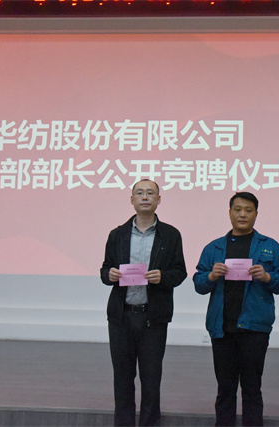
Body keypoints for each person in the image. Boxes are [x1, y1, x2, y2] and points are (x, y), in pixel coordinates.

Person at [193, 192, 279, 426]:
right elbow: (198, 284)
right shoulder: (214, 247)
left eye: (248, 210)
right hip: (222, 329)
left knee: (252, 388)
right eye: (237, 210)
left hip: (254, 328)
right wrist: (211, 276)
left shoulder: (270, 246)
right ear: (230, 213)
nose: (242, 214)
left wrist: (267, 277)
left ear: (256, 214)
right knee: (225, 389)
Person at [100, 179, 187, 426]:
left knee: (151, 379)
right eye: (140, 193)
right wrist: (110, 274)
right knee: (122, 378)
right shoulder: (117, 234)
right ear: (132, 200)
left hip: (153, 317)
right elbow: (105, 270)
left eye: (150, 193)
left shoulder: (170, 235)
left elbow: (179, 272)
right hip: (121, 317)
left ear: (159, 199)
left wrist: (162, 277)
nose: (145, 197)